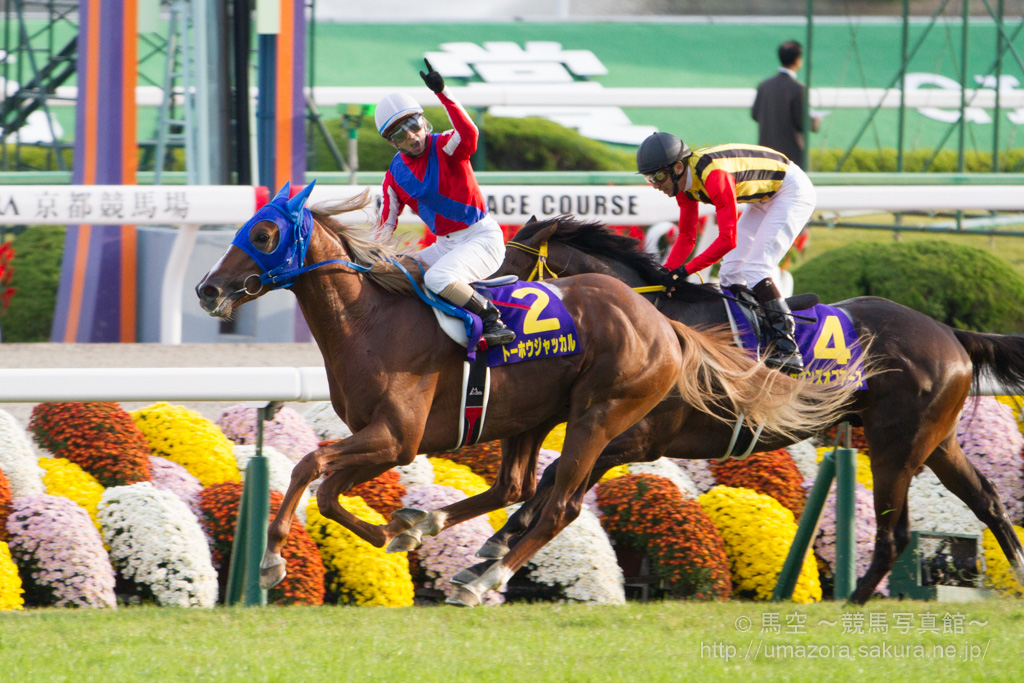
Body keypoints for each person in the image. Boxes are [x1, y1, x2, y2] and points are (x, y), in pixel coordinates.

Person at [637, 132, 816, 374]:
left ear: (678, 167)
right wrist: (666, 272)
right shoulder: (682, 186)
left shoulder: (714, 177)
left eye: (658, 176)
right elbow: (687, 237)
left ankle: (788, 347)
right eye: (650, 179)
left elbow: (727, 239)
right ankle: (754, 337)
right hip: (764, 197)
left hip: (791, 191)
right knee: (730, 272)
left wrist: (685, 270)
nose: (656, 185)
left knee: (755, 268)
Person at [375, 59, 514, 348]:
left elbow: (470, 133)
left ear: (424, 121)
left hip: (482, 237)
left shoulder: (446, 144)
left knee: (438, 278)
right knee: (401, 272)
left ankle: (492, 319)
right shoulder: (393, 177)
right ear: (392, 143)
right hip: (447, 244)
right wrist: (369, 259)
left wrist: (444, 92)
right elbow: (385, 226)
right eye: (401, 134)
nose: (412, 137)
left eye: (414, 125)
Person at [751, 40, 822, 168]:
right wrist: (816, 121)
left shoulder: (764, 86)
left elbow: (755, 115)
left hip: (766, 154)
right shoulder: (798, 89)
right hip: (792, 158)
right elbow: (803, 122)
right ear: (797, 60)